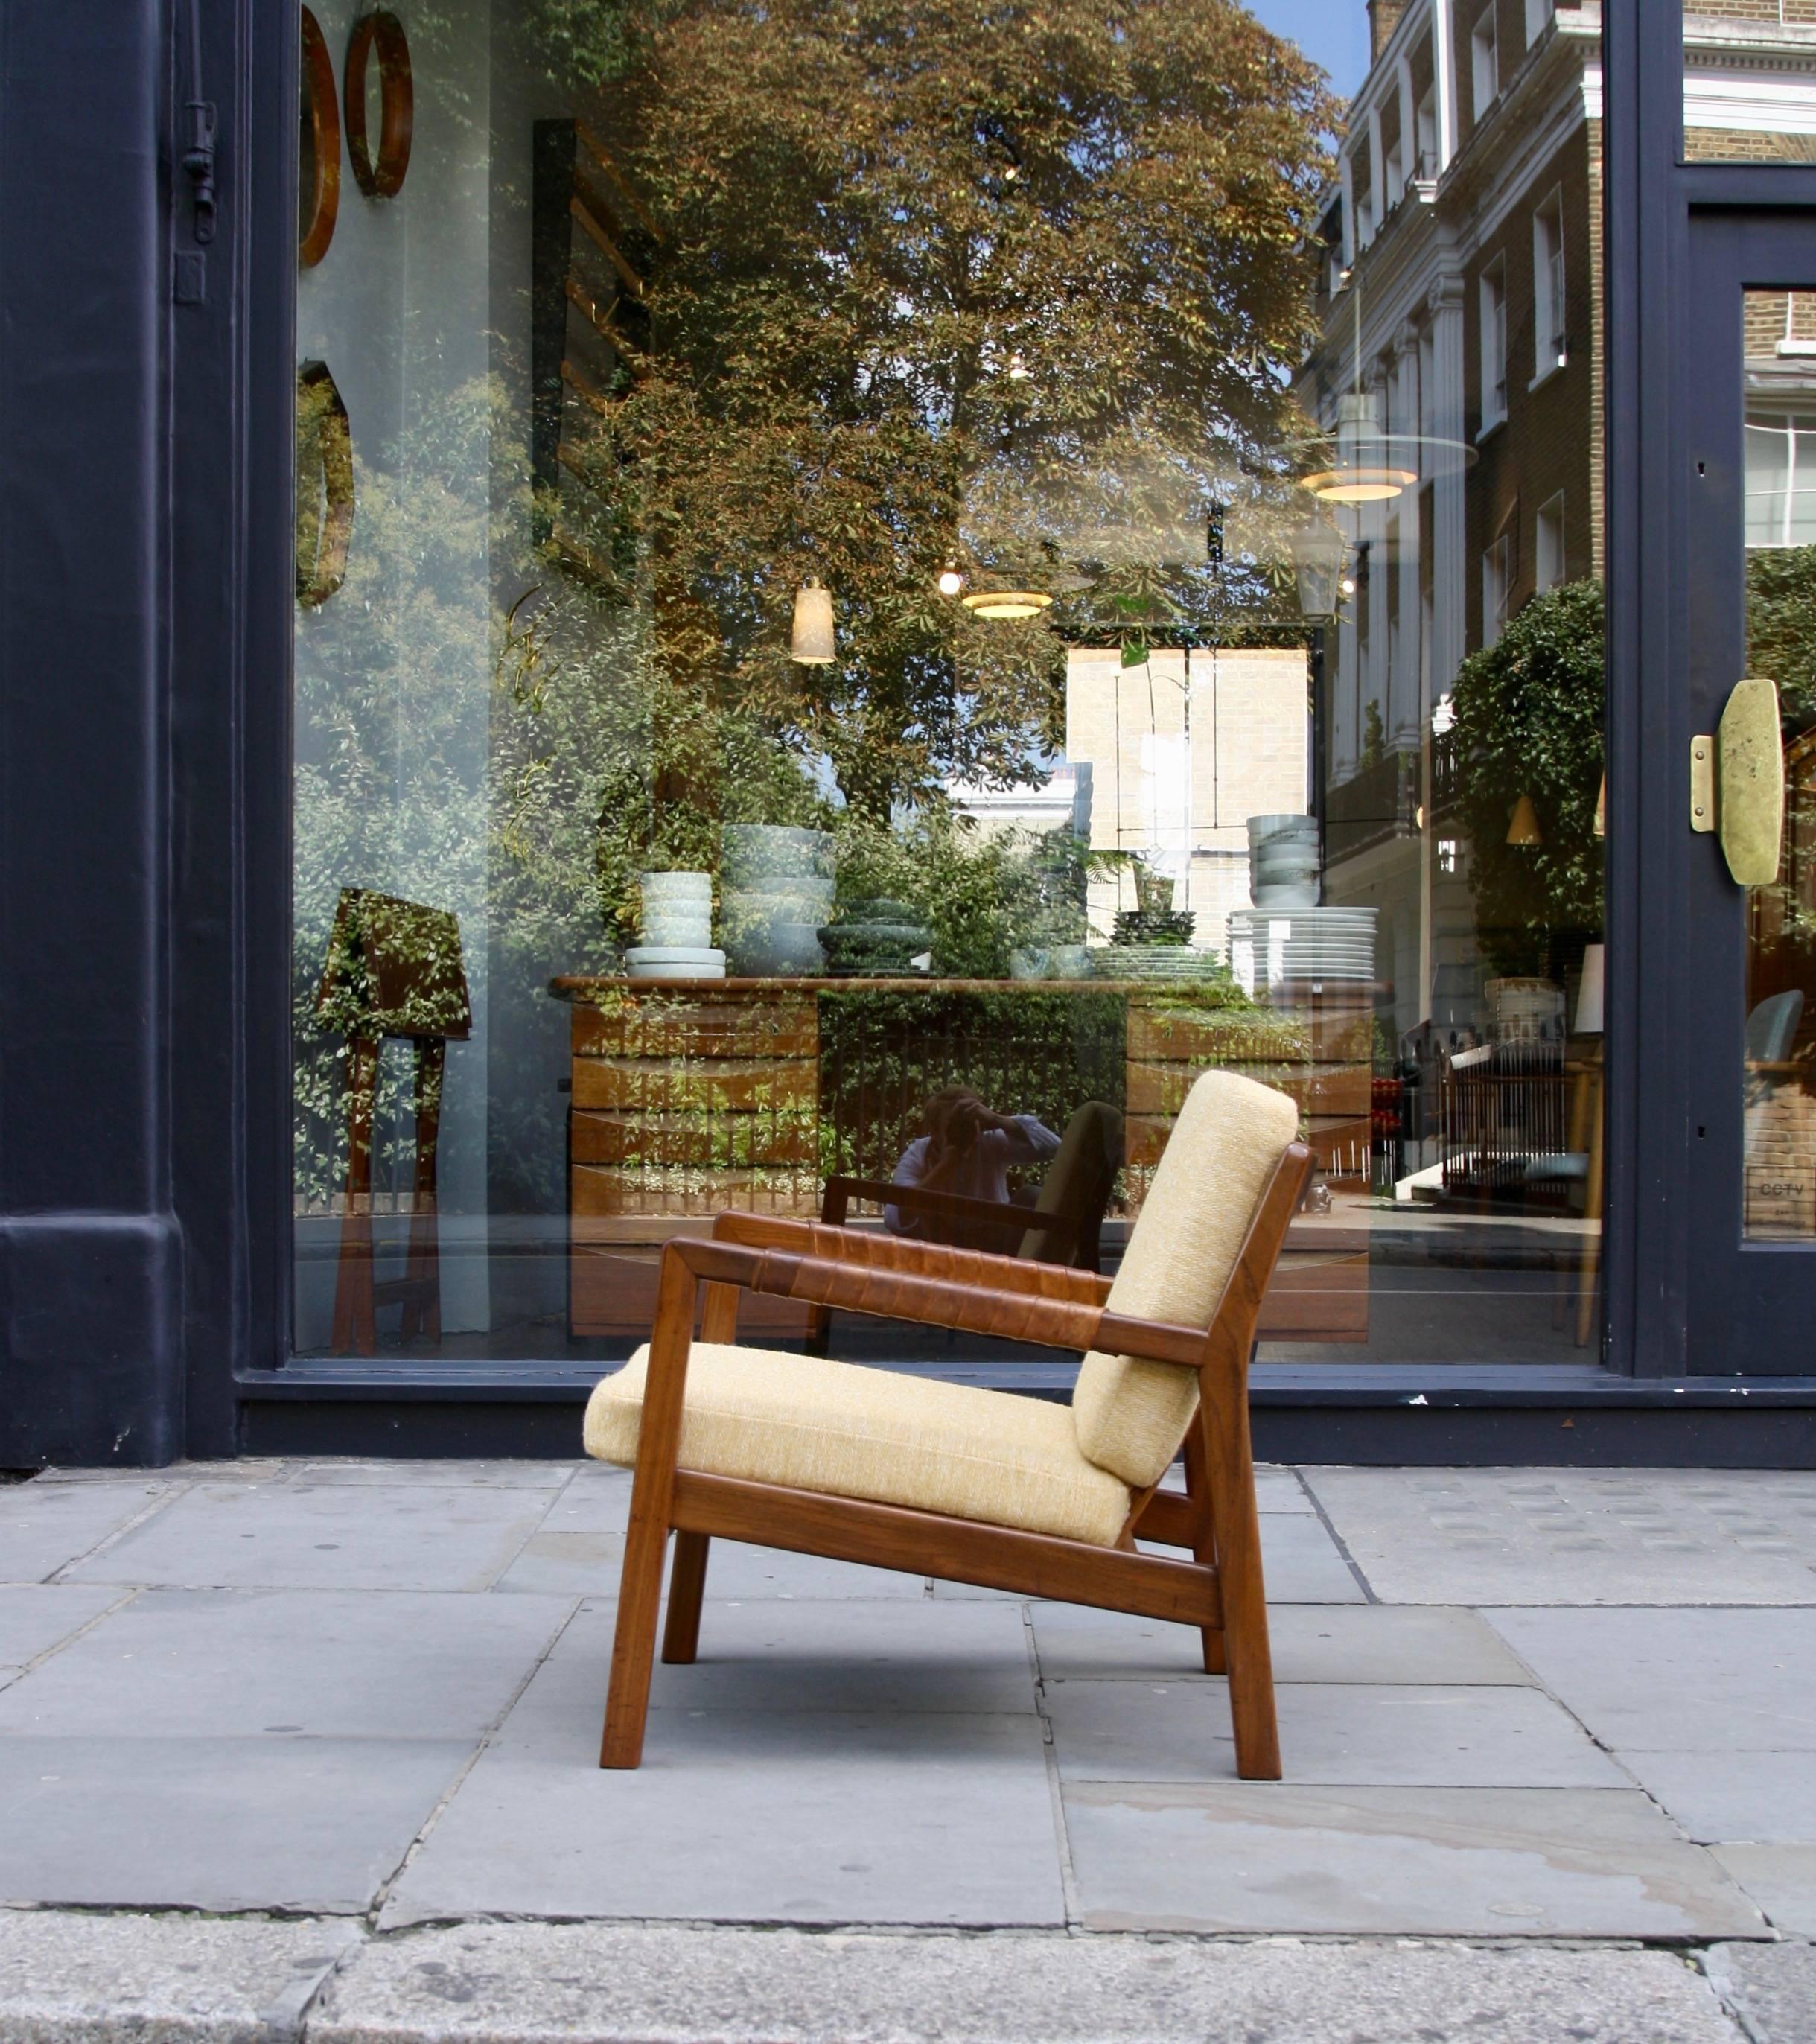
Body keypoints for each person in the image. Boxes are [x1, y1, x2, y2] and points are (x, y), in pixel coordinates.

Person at [885, 1085, 1061, 1244]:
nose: (963, 1131)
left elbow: (1055, 1148)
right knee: (916, 1205)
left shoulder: (990, 1140)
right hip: (943, 1243)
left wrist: (997, 1120)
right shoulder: (920, 1152)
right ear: (934, 1131)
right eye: (953, 1125)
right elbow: (896, 1218)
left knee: (1031, 1196)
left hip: (995, 1236)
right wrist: (946, 1164)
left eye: (968, 1123)